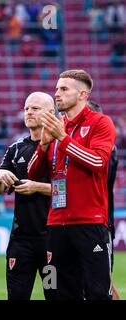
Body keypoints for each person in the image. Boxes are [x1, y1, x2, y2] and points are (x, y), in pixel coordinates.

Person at [28, 70, 116, 300]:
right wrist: (44, 146)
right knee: (55, 292)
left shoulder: (101, 122)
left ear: (82, 94)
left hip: (89, 223)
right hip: (56, 224)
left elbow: (97, 162)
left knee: (98, 293)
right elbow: (32, 172)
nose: (57, 94)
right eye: (57, 88)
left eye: (64, 89)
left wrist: (63, 139)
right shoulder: (58, 126)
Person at [0, 92, 55, 300]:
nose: (29, 112)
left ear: (50, 113)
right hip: (21, 240)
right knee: (17, 296)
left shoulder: (59, 148)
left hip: (52, 238)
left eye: (35, 108)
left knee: (55, 295)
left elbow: (71, 190)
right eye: (27, 108)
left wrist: (37, 187)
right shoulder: (16, 148)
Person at [87, 100, 120, 300]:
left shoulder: (107, 150)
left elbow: (96, 180)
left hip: (99, 222)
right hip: (73, 223)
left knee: (102, 284)